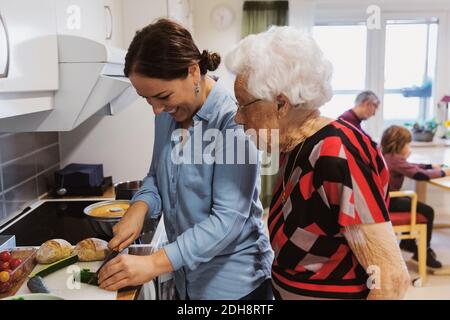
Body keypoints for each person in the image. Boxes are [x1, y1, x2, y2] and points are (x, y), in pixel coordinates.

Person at [226, 26, 410, 300]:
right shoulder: (296, 147)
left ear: (281, 104)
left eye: (244, 105)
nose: (238, 118)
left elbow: (391, 277)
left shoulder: (337, 152)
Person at [98, 19, 274, 300]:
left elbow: (227, 220)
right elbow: (156, 174)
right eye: (146, 98)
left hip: (234, 287)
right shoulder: (169, 114)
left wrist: (152, 264)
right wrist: (140, 207)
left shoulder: (233, 122)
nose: (156, 110)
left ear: (193, 71)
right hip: (185, 281)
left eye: (162, 96)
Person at [381, 125, 450, 269]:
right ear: (400, 144)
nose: (409, 147)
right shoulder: (396, 159)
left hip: (383, 199)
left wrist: (431, 165)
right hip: (388, 201)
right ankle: (423, 251)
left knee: (410, 202)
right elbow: (419, 175)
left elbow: (411, 166)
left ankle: (408, 243)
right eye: (407, 144)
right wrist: (445, 172)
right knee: (427, 211)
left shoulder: (387, 155)